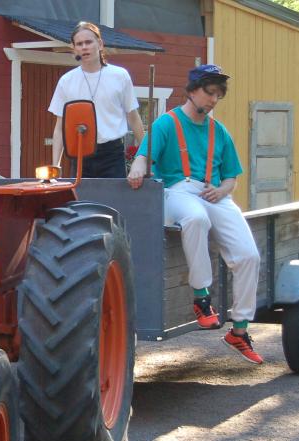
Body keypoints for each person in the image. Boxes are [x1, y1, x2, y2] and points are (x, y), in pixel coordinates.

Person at [127, 64, 263, 364]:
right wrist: (137, 169)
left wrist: (223, 191)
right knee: (196, 218)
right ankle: (201, 298)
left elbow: (231, 177)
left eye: (218, 95)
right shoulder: (166, 123)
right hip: (179, 191)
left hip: (215, 194)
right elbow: (143, 156)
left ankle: (239, 330)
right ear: (192, 91)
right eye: (209, 92)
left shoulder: (219, 131)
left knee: (249, 256)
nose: (213, 100)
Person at [49, 21, 145, 178]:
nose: (84, 47)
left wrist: (144, 157)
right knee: (81, 202)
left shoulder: (120, 76)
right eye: (79, 44)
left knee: (111, 202)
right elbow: (60, 127)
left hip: (112, 155)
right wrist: (55, 166)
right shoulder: (66, 81)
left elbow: (133, 118)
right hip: (79, 155)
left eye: (88, 42)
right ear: (74, 48)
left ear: (100, 44)